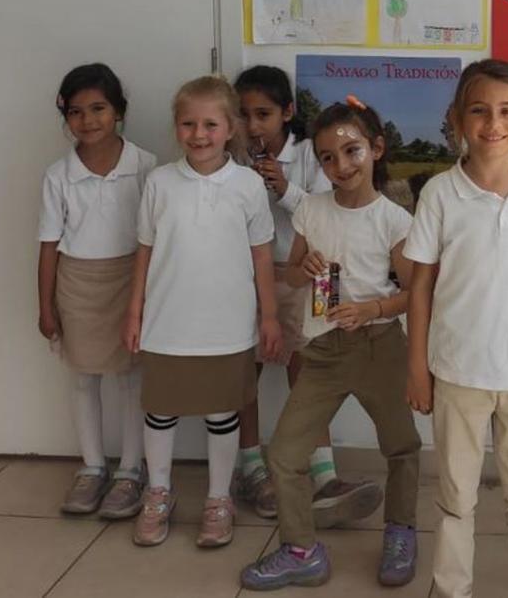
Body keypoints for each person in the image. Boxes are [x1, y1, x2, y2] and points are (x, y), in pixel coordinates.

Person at [404, 59, 508, 598]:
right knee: (456, 496)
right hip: (456, 372)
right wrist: (417, 368)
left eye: (507, 111)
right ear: (457, 120)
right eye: (479, 111)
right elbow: (421, 287)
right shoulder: (439, 194)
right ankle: (452, 588)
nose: (493, 123)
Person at [241, 97, 421, 589]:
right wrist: (305, 269)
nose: (340, 166)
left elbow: (415, 294)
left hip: (378, 346)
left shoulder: (394, 221)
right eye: (327, 157)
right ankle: (302, 548)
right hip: (321, 351)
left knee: (401, 446)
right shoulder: (312, 212)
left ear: (376, 149)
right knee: (283, 456)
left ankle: (401, 530)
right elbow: (296, 275)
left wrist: (372, 309)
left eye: (352, 152)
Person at [123, 75, 281, 548]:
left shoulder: (249, 186)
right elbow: (145, 252)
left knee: (221, 412)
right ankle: (158, 492)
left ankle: (218, 498)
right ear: (176, 127)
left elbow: (261, 255)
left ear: (231, 127)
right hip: (167, 323)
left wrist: (269, 316)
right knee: (161, 411)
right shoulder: (160, 183)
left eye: (211, 123)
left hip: (227, 326)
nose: (199, 134)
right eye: (188, 123)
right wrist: (134, 313)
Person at [233, 66, 378, 525]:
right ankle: (251, 468)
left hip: (310, 273)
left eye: (264, 114)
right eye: (244, 114)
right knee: (244, 371)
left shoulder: (313, 155)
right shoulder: (232, 156)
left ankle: (323, 473)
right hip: (248, 273)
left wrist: (285, 187)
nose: (253, 125)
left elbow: (326, 214)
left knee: (310, 370)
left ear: (287, 112)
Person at [38, 63, 155, 519]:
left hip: (131, 280)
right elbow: (48, 246)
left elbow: (155, 238)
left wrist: (151, 298)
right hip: (77, 283)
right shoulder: (57, 175)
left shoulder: (145, 166)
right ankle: (91, 466)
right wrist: (45, 306)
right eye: (76, 111)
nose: (88, 120)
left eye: (99, 108)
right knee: (83, 376)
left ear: (119, 112)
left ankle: (129, 471)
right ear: (64, 116)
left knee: (130, 375)